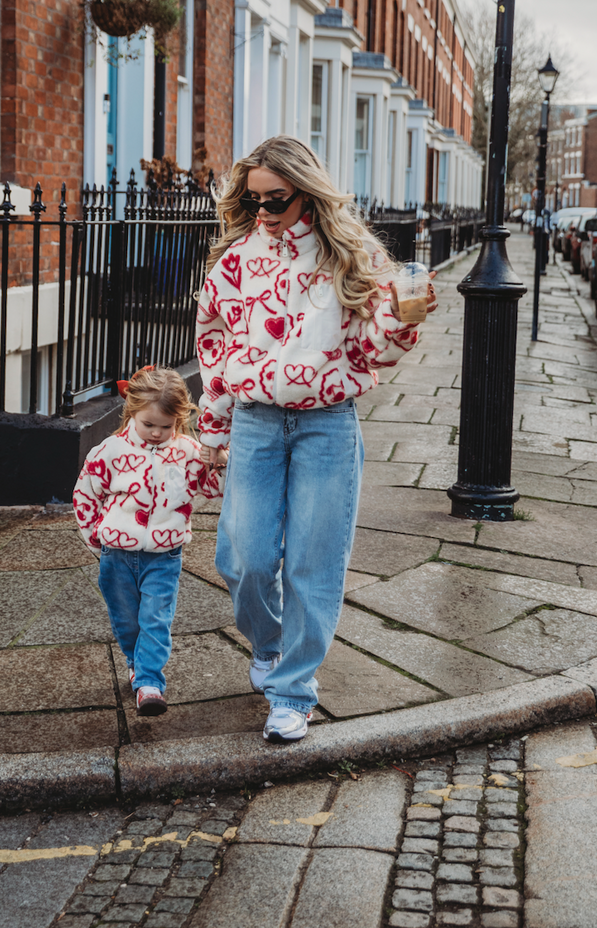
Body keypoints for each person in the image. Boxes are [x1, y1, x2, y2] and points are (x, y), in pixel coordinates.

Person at [195, 136, 436, 743]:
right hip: (255, 422)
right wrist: (211, 430)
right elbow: (215, 349)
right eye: (253, 202)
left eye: (276, 200)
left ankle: (294, 691)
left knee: (313, 564)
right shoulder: (234, 261)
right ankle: (272, 646)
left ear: (307, 192)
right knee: (243, 559)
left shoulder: (352, 256)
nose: (264, 213)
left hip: (328, 423)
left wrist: (403, 322)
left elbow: (369, 350)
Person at [72, 366, 225, 716]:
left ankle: (150, 682)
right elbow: (85, 494)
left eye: (166, 426)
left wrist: (217, 463)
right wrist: (96, 538)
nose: (157, 433)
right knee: (126, 621)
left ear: (179, 421)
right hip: (116, 555)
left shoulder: (188, 450)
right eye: (148, 424)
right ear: (132, 413)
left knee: (156, 619)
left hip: (164, 556)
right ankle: (135, 661)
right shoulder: (109, 451)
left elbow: (212, 491)